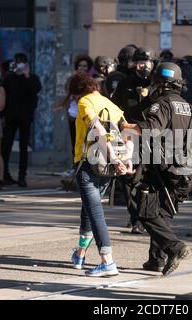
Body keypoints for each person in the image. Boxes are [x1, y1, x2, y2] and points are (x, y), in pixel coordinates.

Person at [123, 62, 192, 275]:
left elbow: (151, 128)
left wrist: (127, 127)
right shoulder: (188, 107)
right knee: (163, 214)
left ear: (160, 84)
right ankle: (156, 260)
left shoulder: (163, 104)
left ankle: (175, 247)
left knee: (146, 213)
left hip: (162, 167)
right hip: (184, 171)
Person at [69, 72, 134, 277]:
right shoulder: (110, 104)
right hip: (106, 168)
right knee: (88, 210)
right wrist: (126, 159)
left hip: (88, 164)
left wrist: (115, 158)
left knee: (94, 212)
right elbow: (128, 134)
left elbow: (97, 131)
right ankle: (79, 255)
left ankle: (107, 262)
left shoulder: (84, 103)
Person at [112, 47, 156, 234]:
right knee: (128, 177)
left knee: (149, 178)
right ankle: (135, 217)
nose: (143, 66)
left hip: (153, 135)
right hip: (129, 135)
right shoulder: (125, 83)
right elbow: (115, 108)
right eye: (139, 62)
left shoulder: (158, 83)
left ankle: (149, 216)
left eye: (146, 62)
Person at [0, 53, 42, 188]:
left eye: (22, 62)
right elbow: (2, 93)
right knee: (5, 147)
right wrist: (2, 115)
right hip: (10, 116)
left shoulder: (32, 78)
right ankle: (3, 175)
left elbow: (35, 90)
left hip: (25, 117)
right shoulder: (9, 78)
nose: (20, 64)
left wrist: (27, 75)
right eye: (18, 62)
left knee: (24, 148)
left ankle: (22, 177)